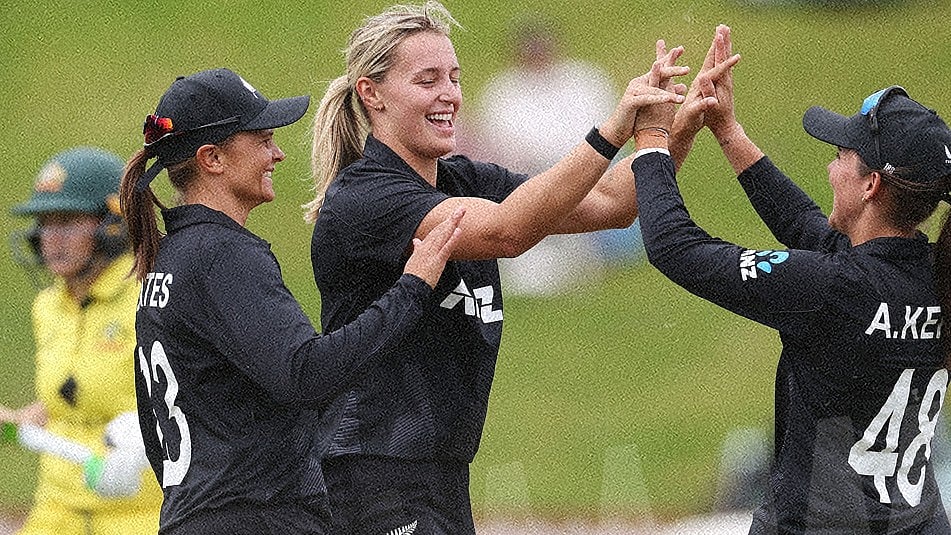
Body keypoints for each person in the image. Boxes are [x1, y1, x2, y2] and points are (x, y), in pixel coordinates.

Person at [305, 1, 688, 532]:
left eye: (455, 79)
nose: (450, 96)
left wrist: (675, 123)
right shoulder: (368, 196)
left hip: (440, 474)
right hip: (373, 473)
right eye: (427, 80)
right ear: (371, 93)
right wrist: (612, 131)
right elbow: (507, 232)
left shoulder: (464, 179)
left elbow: (613, 205)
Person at [633, 25, 951, 533]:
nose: (829, 169)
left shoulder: (836, 289)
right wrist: (729, 134)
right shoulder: (933, 272)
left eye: (841, 156)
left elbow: (676, 249)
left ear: (870, 184)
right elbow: (811, 232)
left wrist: (651, 141)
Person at [119, 67, 464, 534]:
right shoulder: (221, 253)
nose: (277, 153)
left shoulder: (173, 255)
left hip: (201, 515)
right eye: (262, 139)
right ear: (212, 158)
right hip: (254, 517)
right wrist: (413, 288)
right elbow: (307, 375)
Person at [1, 146, 163, 534]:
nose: (50, 238)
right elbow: (69, 398)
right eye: (45, 223)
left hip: (134, 511)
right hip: (58, 506)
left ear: (113, 223)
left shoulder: (149, 297)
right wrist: (16, 421)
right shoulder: (49, 306)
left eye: (68, 222)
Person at [472, 14, 637, 295]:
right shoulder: (503, 93)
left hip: (590, 171)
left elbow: (610, 134)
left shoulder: (584, 81)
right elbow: (499, 149)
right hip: (529, 179)